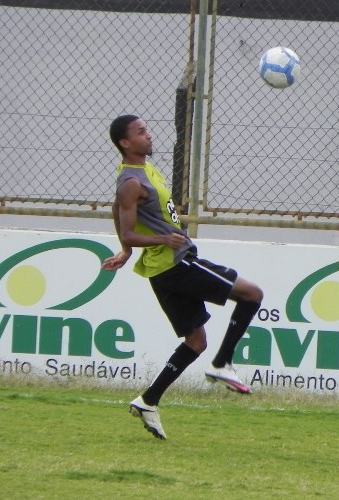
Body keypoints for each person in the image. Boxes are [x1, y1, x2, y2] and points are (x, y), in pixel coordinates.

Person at [102, 115, 264, 440]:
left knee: (195, 341)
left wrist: (127, 250)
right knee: (252, 294)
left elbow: (118, 213)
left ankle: (148, 401)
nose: (149, 135)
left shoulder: (146, 171)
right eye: (141, 132)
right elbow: (128, 225)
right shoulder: (130, 181)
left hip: (166, 268)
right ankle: (222, 364)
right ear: (125, 143)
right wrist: (153, 241)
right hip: (176, 265)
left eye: (147, 129)